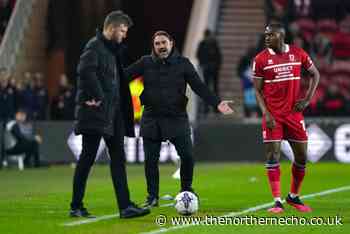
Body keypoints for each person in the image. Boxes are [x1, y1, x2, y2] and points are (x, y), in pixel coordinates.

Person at [125, 30, 234, 208]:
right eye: (157, 44)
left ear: (171, 43)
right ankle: (152, 196)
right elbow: (124, 77)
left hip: (177, 118)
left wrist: (217, 103)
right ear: (153, 46)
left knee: (188, 156)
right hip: (151, 118)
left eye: (163, 43)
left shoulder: (183, 64)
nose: (161, 46)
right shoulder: (145, 62)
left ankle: (186, 190)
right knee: (150, 160)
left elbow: (199, 86)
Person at [70, 10, 150, 219]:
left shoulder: (112, 51)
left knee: (118, 159)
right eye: (122, 30)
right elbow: (85, 71)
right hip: (96, 113)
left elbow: (114, 80)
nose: (124, 35)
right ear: (112, 28)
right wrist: (100, 97)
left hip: (112, 114)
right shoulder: (94, 47)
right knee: (87, 158)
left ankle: (125, 206)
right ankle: (76, 206)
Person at [252, 23, 320, 213]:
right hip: (273, 116)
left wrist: (307, 99)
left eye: (270, 35)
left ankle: (293, 196)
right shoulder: (260, 59)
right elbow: (257, 91)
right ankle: (277, 201)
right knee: (273, 155)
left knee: (302, 157)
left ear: (281, 36)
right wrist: (266, 113)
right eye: (265, 35)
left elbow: (315, 74)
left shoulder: (298, 53)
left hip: (294, 115)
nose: (266, 38)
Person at [196, 29, 222, 116]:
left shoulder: (212, 44)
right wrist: (205, 65)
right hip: (208, 69)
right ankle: (208, 108)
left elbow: (218, 57)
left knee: (213, 89)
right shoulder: (204, 44)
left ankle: (213, 108)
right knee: (210, 89)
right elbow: (199, 56)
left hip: (212, 69)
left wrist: (216, 66)